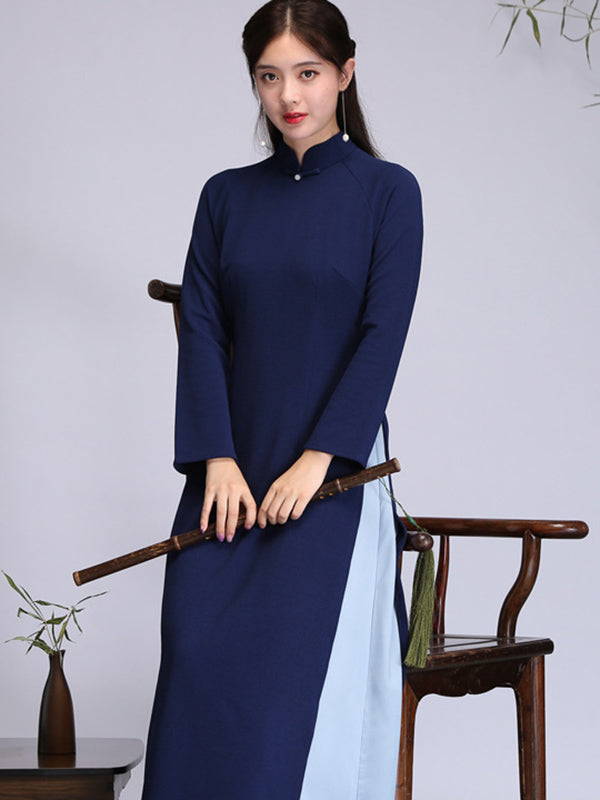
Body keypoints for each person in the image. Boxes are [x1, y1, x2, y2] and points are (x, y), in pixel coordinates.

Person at [141, 1, 423, 797]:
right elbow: (202, 330)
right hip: (229, 472)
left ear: (345, 73)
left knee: (289, 697)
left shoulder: (388, 193)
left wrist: (317, 461)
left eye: (307, 73)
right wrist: (216, 460)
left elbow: (382, 337)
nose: (289, 95)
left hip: (333, 478)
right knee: (195, 660)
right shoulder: (225, 197)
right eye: (269, 76)